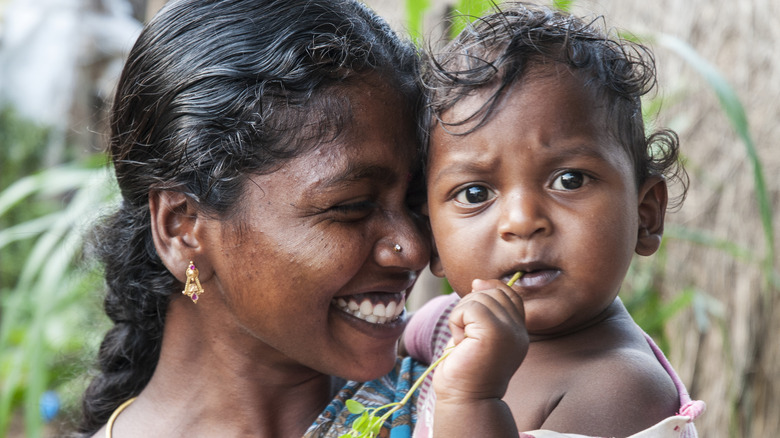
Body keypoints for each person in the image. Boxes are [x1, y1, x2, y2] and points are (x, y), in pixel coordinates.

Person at [73, 0, 528, 437]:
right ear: (183, 227)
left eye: (415, 203)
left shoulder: (469, 391)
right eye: (352, 206)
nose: (413, 247)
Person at [404, 3, 705, 437]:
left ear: (645, 215)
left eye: (569, 180)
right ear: (431, 238)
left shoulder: (619, 387)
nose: (522, 221)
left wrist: (470, 398)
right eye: (475, 193)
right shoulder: (445, 324)